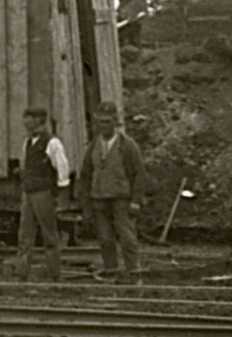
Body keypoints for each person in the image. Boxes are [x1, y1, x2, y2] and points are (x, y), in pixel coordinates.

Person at [79, 102, 146, 284]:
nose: (104, 125)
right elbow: (85, 175)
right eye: (100, 122)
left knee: (127, 238)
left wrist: (136, 200)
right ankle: (111, 271)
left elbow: (139, 173)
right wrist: (86, 204)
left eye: (108, 121)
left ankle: (134, 273)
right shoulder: (93, 146)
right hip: (99, 200)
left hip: (121, 199)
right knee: (105, 239)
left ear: (115, 122)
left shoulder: (127, 145)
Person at [15, 106, 72, 282]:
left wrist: (61, 194)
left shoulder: (52, 143)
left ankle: (54, 274)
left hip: (43, 193)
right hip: (28, 193)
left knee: (49, 235)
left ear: (40, 120)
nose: (26, 122)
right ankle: (22, 274)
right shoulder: (27, 142)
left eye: (30, 118)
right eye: (25, 118)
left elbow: (62, 169)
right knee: (25, 235)